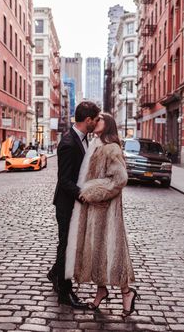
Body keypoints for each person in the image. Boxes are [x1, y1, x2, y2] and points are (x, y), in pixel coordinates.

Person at [65, 113, 139, 316]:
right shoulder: (95, 144)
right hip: (95, 211)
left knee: (113, 251)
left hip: (106, 211)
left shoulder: (111, 147)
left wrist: (92, 191)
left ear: (108, 125)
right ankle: (101, 292)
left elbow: (120, 179)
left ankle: (127, 293)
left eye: (100, 120)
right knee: (97, 252)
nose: (95, 122)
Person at [47, 101, 101, 309]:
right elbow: (64, 180)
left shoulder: (84, 138)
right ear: (87, 120)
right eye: (95, 120)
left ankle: (55, 273)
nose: (96, 123)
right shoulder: (69, 142)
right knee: (66, 247)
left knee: (70, 245)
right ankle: (64, 292)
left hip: (73, 204)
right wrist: (84, 194)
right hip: (66, 204)